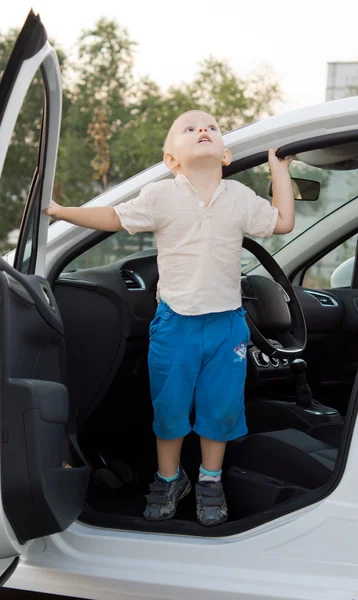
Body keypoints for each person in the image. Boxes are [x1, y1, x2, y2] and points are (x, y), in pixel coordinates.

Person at [45, 110, 294, 526]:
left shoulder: (238, 198)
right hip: (175, 323)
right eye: (190, 128)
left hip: (226, 325)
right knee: (170, 410)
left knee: (221, 410)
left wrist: (278, 170)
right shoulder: (161, 196)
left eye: (212, 127)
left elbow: (283, 221)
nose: (203, 130)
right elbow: (113, 217)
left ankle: (209, 480)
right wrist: (62, 211)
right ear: (171, 159)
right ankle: (169, 478)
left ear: (226, 154)